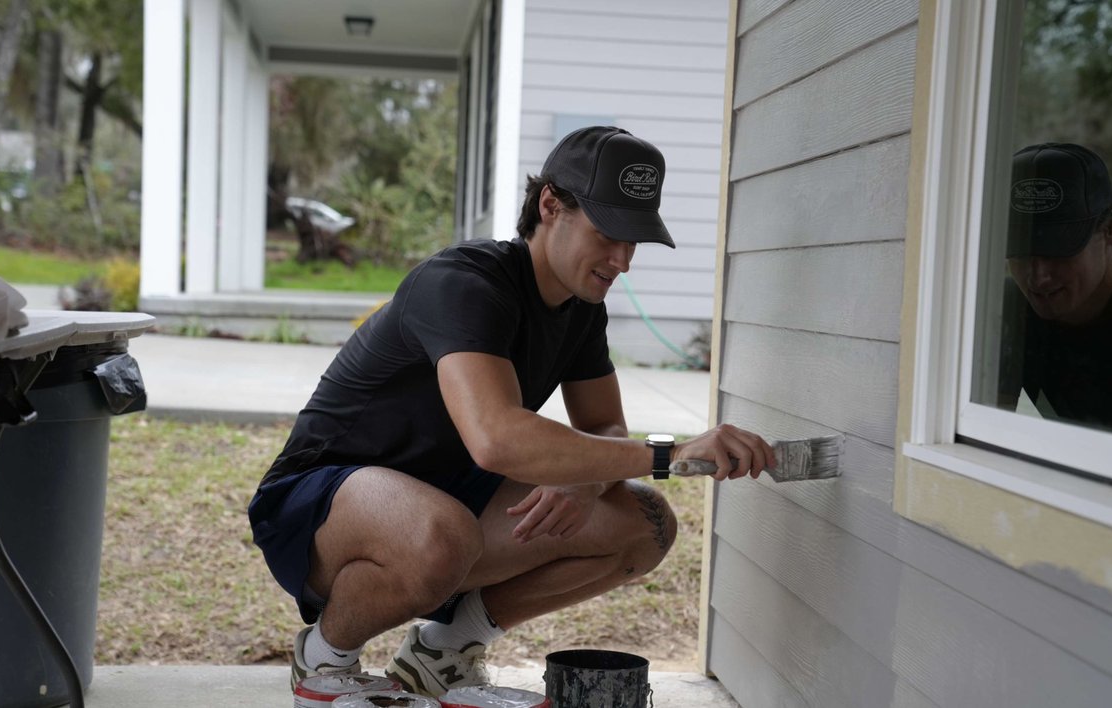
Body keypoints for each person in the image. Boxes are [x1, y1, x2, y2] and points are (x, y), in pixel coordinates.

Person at [247, 126, 776, 697]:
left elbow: (603, 425)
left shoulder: (580, 309)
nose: (622, 260)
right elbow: (496, 439)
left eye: (635, 242)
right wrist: (670, 454)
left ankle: (441, 652)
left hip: (448, 503)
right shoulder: (462, 283)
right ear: (551, 205)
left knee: (642, 524)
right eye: (609, 234)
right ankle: (326, 658)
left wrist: (588, 483)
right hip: (317, 504)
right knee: (441, 534)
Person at [998, 142, 1112, 433]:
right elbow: (986, 431)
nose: (1038, 277)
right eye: (1020, 253)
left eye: (1058, 250)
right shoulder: (1009, 315)